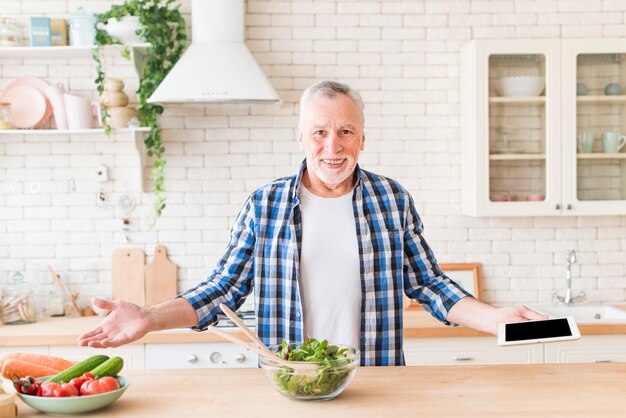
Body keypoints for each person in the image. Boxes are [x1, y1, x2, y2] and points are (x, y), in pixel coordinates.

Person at [78, 80, 545, 366]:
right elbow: (223, 289)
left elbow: (428, 284)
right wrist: (150, 317)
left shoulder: (391, 199)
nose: (332, 147)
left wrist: (496, 318)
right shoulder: (266, 205)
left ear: (362, 137)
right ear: (302, 136)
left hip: (378, 381)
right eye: (319, 132)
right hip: (291, 382)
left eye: (345, 132)